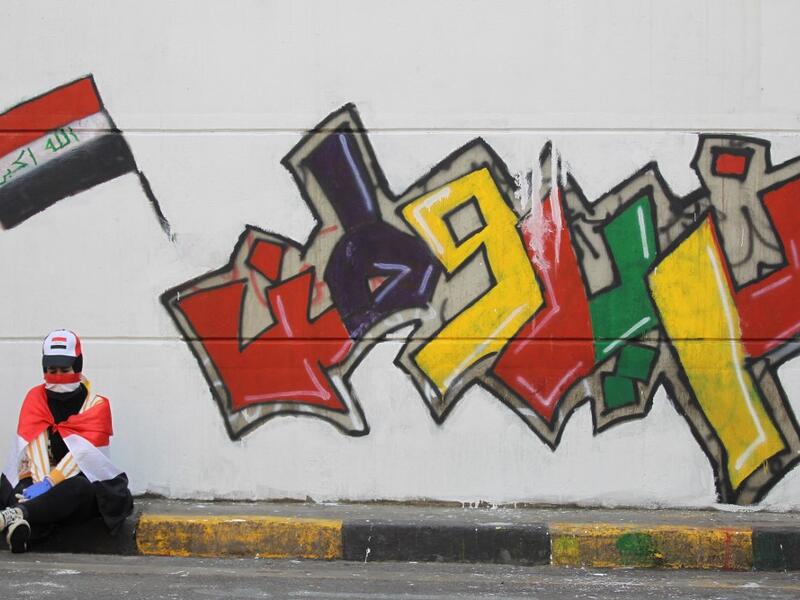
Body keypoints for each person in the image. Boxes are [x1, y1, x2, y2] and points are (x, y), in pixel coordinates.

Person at [0, 329, 133, 552]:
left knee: (78, 488)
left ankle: (18, 514)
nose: (58, 376)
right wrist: (39, 483)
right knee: (18, 488)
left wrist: (49, 483)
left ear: (78, 366)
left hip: (82, 480)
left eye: (65, 370)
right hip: (39, 476)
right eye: (52, 371)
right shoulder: (36, 398)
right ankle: (23, 530)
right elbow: (34, 444)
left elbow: (83, 455)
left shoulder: (97, 405)